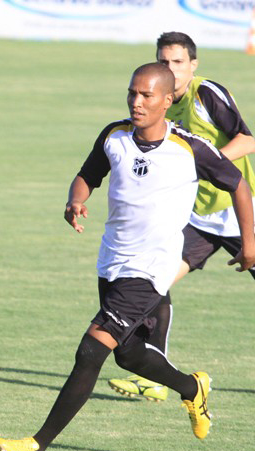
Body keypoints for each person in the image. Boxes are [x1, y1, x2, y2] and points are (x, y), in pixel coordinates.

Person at [0, 63, 255, 451]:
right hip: (112, 261)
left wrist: (250, 243)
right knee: (130, 356)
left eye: (147, 95)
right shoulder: (114, 136)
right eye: (132, 93)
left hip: (151, 269)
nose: (137, 101)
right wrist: (75, 199)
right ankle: (193, 387)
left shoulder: (190, 149)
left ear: (168, 101)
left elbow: (238, 184)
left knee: (91, 350)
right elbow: (87, 175)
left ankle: (35, 448)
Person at [108, 32, 255, 402]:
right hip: (200, 218)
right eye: (164, 61)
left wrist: (206, 161)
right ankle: (155, 373)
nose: (170, 69)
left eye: (177, 62)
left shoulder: (206, 94)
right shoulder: (158, 101)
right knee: (154, 281)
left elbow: (248, 139)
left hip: (238, 212)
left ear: (193, 64)